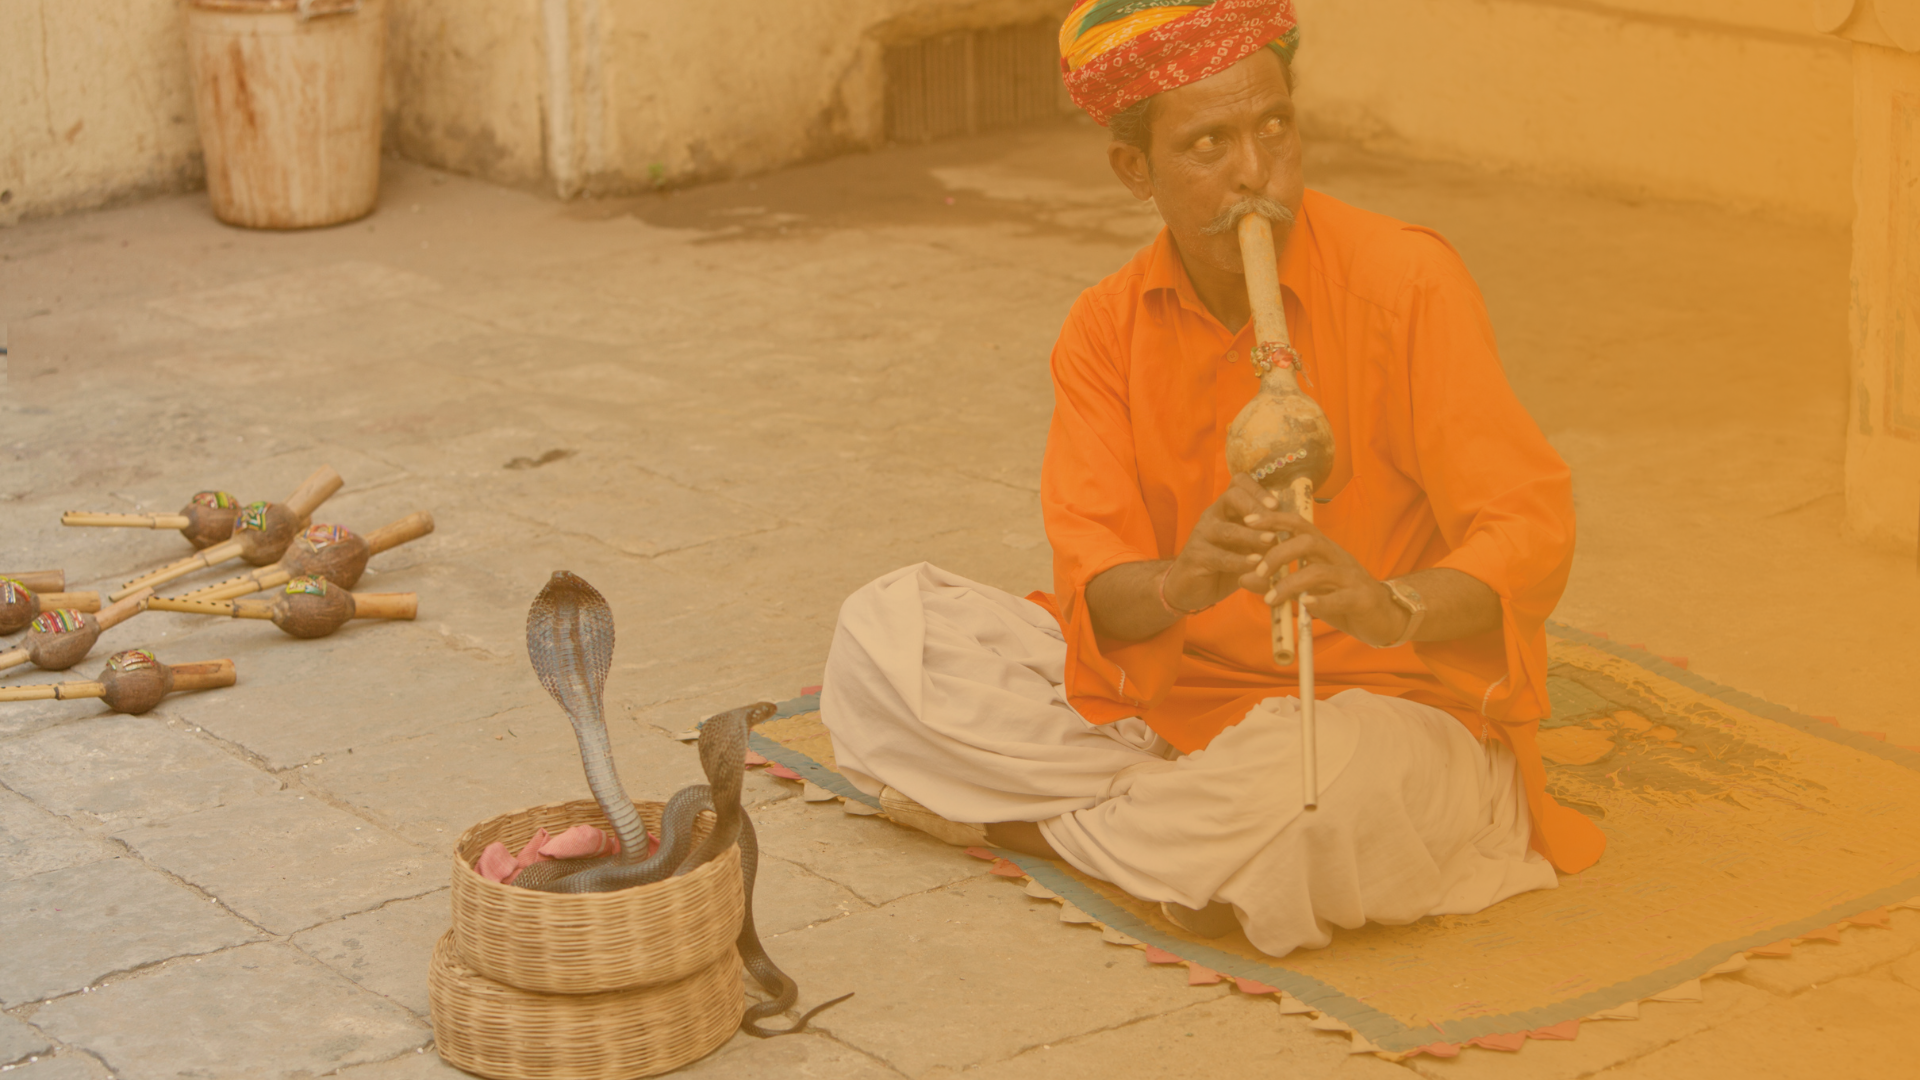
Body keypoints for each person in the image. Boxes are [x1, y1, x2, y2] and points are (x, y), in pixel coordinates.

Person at [819, 0, 1605, 956]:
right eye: (1207, 143)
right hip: (1168, 710)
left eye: (1274, 125)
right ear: (1134, 171)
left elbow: (1529, 531)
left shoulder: (1406, 283)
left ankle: (1030, 827)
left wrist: (1385, 602)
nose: (1253, 170)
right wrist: (1185, 581)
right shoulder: (1105, 328)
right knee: (888, 632)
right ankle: (1177, 834)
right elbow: (1097, 580)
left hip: (1380, 710)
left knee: (1321, 795)